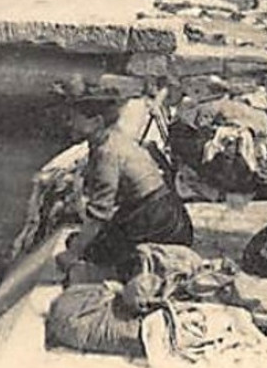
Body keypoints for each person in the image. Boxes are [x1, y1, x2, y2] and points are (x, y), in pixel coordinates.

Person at [56, 96, 193, 278]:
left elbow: (100, 213)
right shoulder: (115, 138)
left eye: (73, 119)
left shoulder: (107, 152)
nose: (69, 124)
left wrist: (72, 254)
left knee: (86, 248)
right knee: (87, 241)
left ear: (97, 121)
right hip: (168, 214)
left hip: (156, 221)